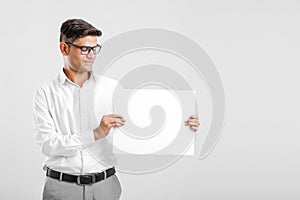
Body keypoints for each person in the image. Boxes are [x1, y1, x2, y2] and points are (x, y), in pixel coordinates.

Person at [33, 18, 200, 200]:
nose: (91, 55)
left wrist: (183, 126)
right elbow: (48, 145)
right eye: (84, 49)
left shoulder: (112, 89)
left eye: (94, 48)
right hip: (61, 188)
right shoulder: (45, 93)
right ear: (64, 48)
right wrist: (96, 133)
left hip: (105, 188)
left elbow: (140, 129)